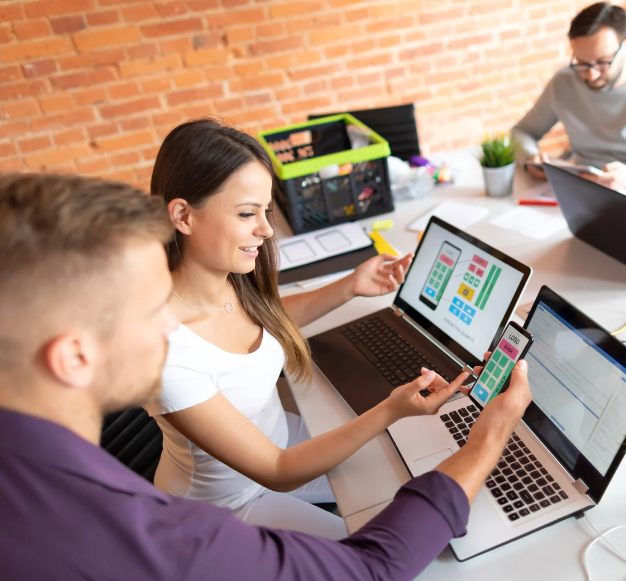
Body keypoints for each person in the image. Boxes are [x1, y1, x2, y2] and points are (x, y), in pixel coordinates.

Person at [0, 172, 532, 581]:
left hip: (272, 451)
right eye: (149, 309)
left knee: (398, 466)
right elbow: (370, 570)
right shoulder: (147, 537)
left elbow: (247, 326)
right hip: (241, 498)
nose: (171, 324)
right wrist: (488, 438)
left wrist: (348, 287)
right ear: (73, 357)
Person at [147, 118, 477, 538]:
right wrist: (391, 408)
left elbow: (262, 320)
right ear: (183, 216)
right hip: (226, 511)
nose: (266, 230)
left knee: (409, 480)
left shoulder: (223, 277)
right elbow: (277, 471)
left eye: (266, 211)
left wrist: (350, 286)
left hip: (285, 442)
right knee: (370, 555)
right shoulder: (164, 351)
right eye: (247, 213)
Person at [512, 2, 626, 190]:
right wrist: (530, 158)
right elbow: (522, 132)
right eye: (582, 63)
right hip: (580, 190)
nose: (591, 75)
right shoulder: (564, 82)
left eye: (603, 62)